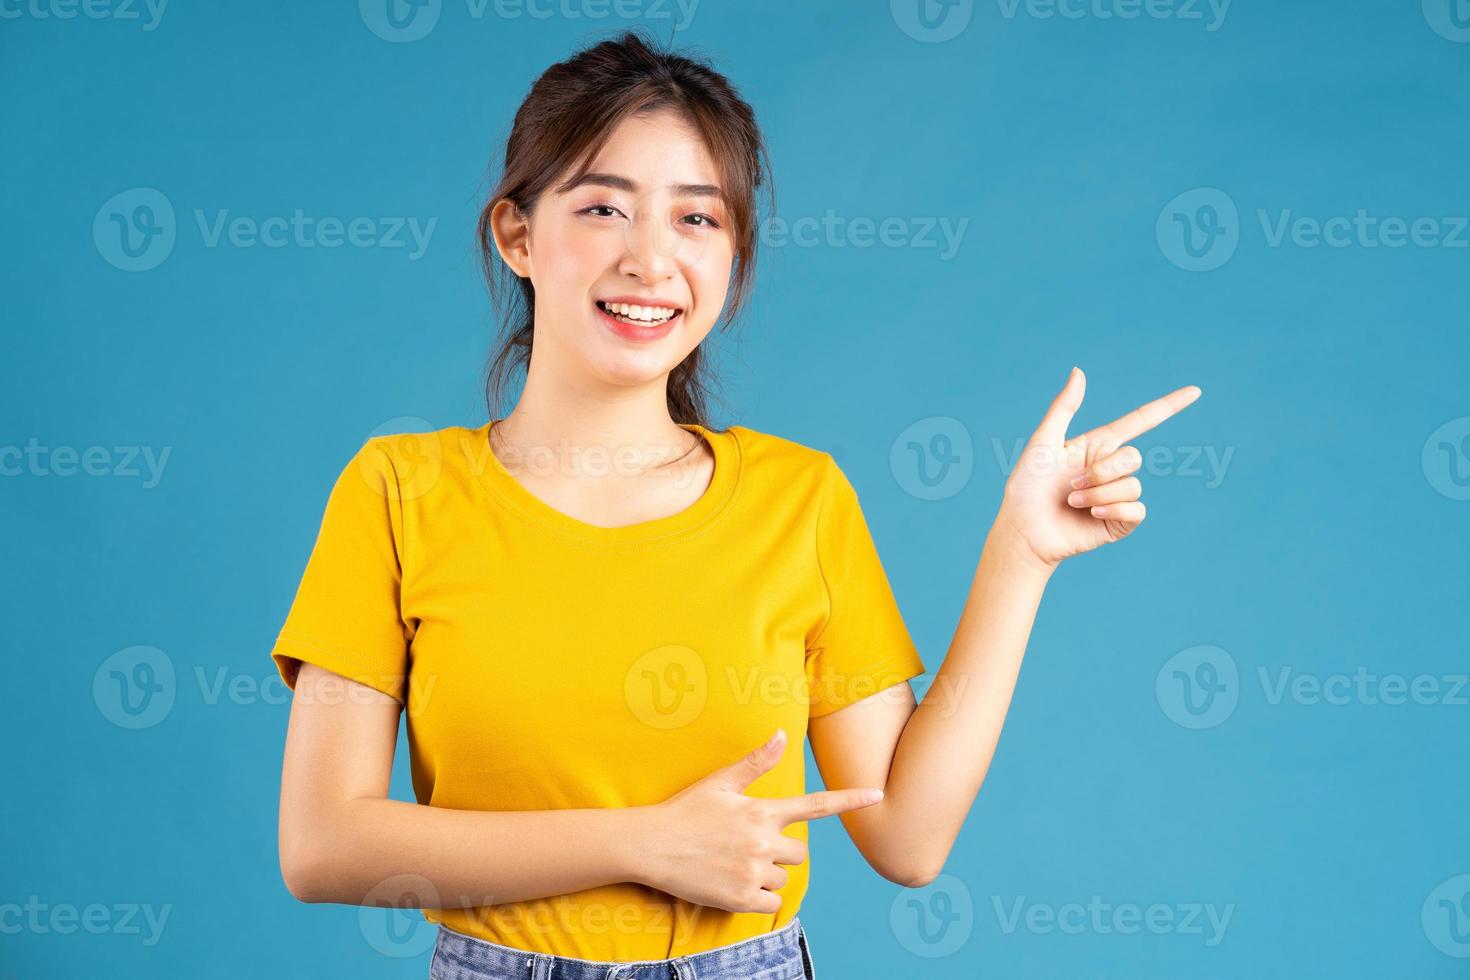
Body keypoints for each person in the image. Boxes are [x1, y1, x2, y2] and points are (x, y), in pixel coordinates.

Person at [269, 28, 1201, 980]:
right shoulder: (399, 490)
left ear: (733, 254)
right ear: (516, 234)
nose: (650, 259)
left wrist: (1022, 553)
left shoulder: (800, 499)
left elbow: (908, 841)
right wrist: (640, 843)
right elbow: (322, 845)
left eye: (697, 220)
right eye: (602, 208)